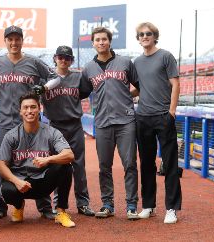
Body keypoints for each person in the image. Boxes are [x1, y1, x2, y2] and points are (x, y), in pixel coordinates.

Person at [0, 25, 61, 219]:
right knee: (3, 163)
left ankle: (44, 206)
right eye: (10, 39)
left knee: (39, 158)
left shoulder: (33, 61)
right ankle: (1, 204)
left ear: (22, 40)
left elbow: (55, 78)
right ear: (5, 41)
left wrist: (43, 88)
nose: (14, 42)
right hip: (5, 121)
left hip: (31, 121)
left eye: (17, 39)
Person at [80, 27, 140, 220]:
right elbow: (82, 92)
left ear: (109, 41)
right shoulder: (88, 68)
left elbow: (139, 86)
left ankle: (131, 206)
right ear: (93, 43)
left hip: (126, 121)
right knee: (104, 166)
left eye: (104, 39)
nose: (101, 42)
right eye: (97, 40)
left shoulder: (124, 62)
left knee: (129, 164)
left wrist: (126, 97)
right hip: (103, 123)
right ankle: (108, 204)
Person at [0, 91, 76, 228]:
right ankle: (18, 206)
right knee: (7, 189)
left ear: (39, 109)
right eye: (25, 108)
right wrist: (16, 182)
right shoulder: (11, 136)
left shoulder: (51, 132)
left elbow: (69, 155)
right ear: (20, 111)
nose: (29, 111)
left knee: (66, 166)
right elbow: (0, 164)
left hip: (43, 181)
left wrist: (48, 159)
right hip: (20, 184)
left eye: (33, 107)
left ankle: (61, 212)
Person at [134, 22, 182, 224]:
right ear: (138, 38)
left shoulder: (165, 56)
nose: (145, 36)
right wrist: (116, 95)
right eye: (141, 34)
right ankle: (148, 205)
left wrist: (171, 112)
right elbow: (138, 89)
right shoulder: (136, 62)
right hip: (143, 117)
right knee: (146, 164)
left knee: (170, 163)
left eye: (148, 33)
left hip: (163, 115)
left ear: (155, 36)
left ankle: (171, 208)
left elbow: (175, 84)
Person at [41, 45, 95, 216]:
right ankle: (58, 204)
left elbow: (85, 92)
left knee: (79, 165)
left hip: (74, 125)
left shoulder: (78, 78)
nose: (63, 60)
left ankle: (83, 203)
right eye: (60, 57)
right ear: (55, 58)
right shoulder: (45, 78)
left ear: (71, 60)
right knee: (57, 164)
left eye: (67, 58)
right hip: (54, 126)